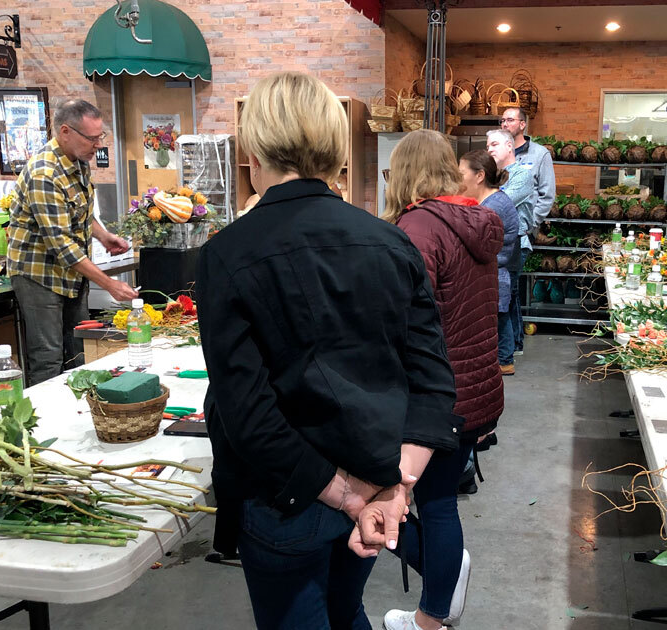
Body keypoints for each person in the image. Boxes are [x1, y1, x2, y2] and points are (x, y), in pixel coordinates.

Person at [195, 73, 461, 630]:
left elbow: (247, 414)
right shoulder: (391, 241)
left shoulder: (227, 254)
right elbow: (433, 383)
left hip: (287, 496)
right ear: (337, 144)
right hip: (373, 482)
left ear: (252, 145)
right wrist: (392, 489)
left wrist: (350, 497)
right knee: (345, 608)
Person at [380, 129, 504, 630]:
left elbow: (404, 319)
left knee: (424, 506)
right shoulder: (475, 220)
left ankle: (432, 613)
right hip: (477, 388)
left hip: (438, 396)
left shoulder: (418, 228)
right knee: (437, 503)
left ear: (405, 172)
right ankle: (443, 582)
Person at [6, 99, 136, 385]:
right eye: (92, 138)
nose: (98, 145)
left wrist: (104, 236)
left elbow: (79, 213)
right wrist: (111, 284)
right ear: (65, 131)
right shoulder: (45, 174)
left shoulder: (78, 162)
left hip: (70, 276)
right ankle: (47, 425)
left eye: (100, 136)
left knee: (78, 349)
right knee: (49, 356)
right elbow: (62, 247)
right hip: (39, 275)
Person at [459, 149, 519, 375]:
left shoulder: (493, 206)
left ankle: (504, 361)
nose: (459, 178)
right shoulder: (491, 201)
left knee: (500, 319)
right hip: (496, 270)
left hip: (496, 270)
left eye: (461, 173)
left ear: (479, 176)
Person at [501, 107, 555, 355]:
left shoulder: (540, 154)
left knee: (510, 290)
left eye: (510, 120)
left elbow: (547, 195)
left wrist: (530, 223)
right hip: (499, 232)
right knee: (509, 291)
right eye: (502, 120)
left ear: (523, 124)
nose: (505, 124)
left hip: (521, 233)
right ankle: (513, 343)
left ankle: (513, 345)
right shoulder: (498, 155)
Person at [487, 128, 533, 358]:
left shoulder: (522, 174)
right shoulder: (494, 174)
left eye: (494, 144)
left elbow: (499, 203)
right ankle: (510, 348)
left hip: (515, 242)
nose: (489, 149)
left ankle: (512, 349)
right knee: (507, 296)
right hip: (498, 242)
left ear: (508, 146)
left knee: (509, 296)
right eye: (487, 146)